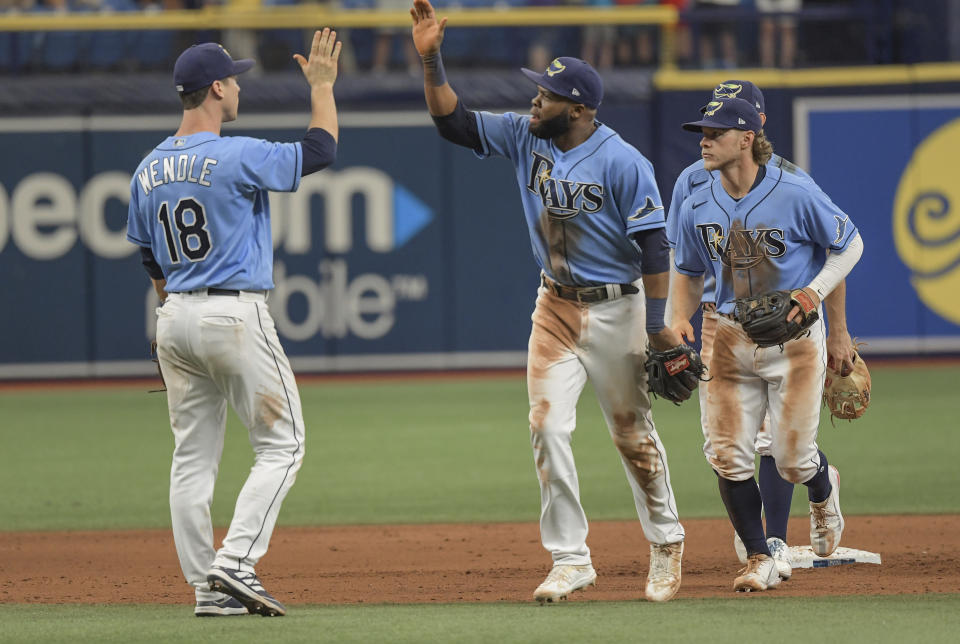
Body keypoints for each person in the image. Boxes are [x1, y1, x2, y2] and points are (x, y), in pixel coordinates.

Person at [409, 0, 686, 604]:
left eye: (547, 95)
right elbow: (452, 123)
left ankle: (666, 542)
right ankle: (570, 558)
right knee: (546, 425)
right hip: (555, 307)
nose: (535, 100)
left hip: (619, 309)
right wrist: (432, 60)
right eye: (537, 91)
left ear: (580, 110)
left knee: (631, 433)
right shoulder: (523, 136)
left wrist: (660, 327)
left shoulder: (622, 162)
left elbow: (655, 248)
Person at [125, 31, 342, 617]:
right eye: (235, 78)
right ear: (216, 89)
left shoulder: (146, 169)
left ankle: (206, 589)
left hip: (173, 316)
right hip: (232, 313)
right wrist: (322, 87)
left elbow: (150, 258)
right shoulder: (235, 153)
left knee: (192, 457)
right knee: (284, 443)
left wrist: (175, 311)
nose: (240, 85)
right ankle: (235, 562)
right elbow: (318, 152)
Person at [670, 96, 863, 592]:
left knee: (793, 457)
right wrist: (675, 318)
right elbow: (689, 270)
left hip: (794, 335)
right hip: (727, 334)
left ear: (747, 138)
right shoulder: (696, 195)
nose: (704, 141)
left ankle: (823, 485)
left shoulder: (794, 190)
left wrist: (813, 295)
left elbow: (850, 243)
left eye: (715, 132)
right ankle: (760, 554)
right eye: (701, 132)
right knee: (727, 454)